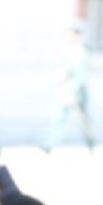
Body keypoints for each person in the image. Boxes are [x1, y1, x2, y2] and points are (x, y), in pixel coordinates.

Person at [41, 26, 97, 154]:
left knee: (83, 120)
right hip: (63, 89)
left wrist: (75, 90)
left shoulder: (81, 52)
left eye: (72, 35)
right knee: (58, 118)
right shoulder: (64, 51)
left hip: (76, 91)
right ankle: (48, 144)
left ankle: (91, 143)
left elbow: (80, 74)